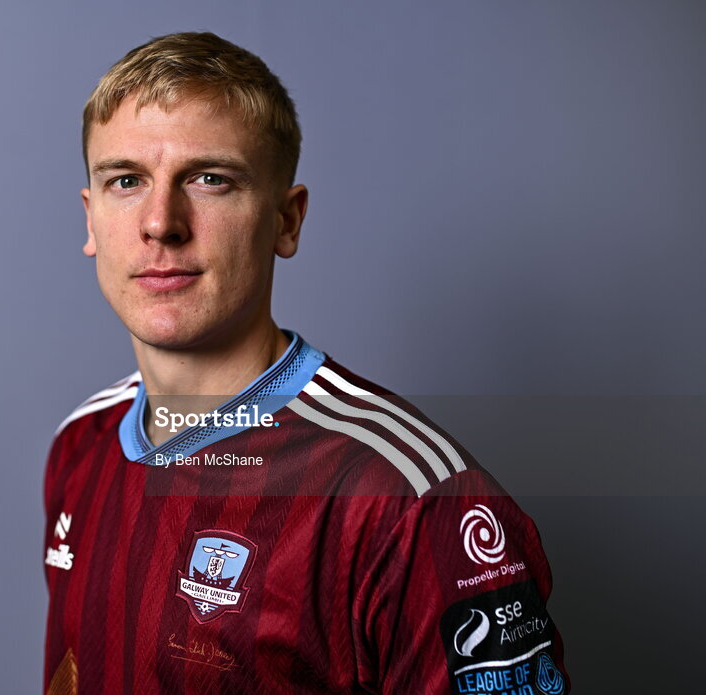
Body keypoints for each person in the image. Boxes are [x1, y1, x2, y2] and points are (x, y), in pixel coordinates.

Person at [43, 32, 568, 695]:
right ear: (91, 219)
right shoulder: (78, 446)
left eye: (209, 178)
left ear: (286, 221)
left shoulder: (411, 500)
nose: (160, 222)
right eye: (126, 180)